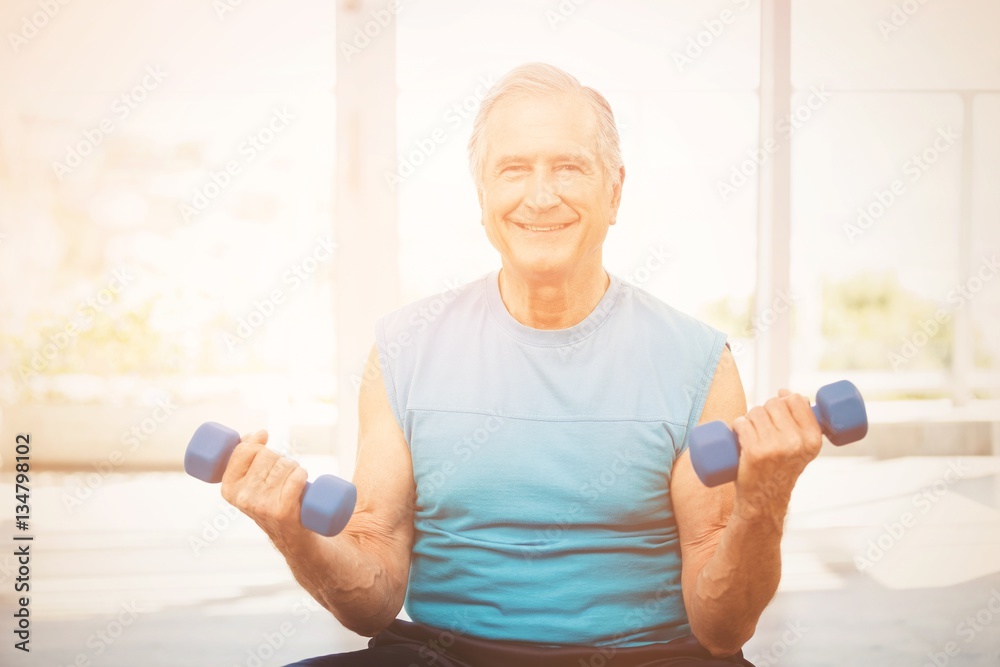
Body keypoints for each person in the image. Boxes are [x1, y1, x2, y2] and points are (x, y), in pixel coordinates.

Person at [220, 63, 823, 667]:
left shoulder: (698, 360)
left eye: (568, 167)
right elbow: (371, 602)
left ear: (614, 191)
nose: (540, 196)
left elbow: (723, 629)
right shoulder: (403, 349)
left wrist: (761, 502)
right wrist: (293, 534)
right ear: (481, 195)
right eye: (513, 169)